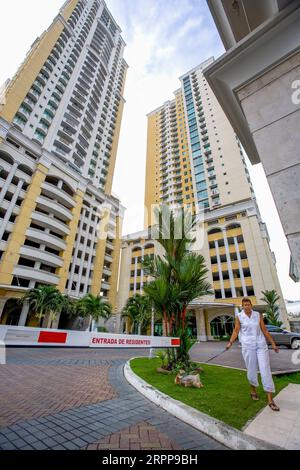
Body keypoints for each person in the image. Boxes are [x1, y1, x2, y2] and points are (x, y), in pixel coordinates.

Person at [226, 298, 280, 411]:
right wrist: (230, 342)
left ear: (251, 305)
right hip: (247, 345)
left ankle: (270, 400)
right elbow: (236, 331)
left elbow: (264, 330)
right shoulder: (239, 317)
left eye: (248, 304)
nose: (247, 306)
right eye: (245, 305)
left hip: (261, 344)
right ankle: (253, 390)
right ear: (242, 306)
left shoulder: (257, 315)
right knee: (251, 369)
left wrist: (273, 344)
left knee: (265, 369)